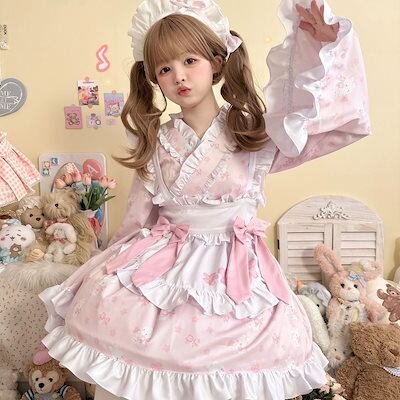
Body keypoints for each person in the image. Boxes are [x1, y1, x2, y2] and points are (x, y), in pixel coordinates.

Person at [39, 0, 371, 399]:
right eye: (164, 69)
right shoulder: (156, 142)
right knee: (140, 358)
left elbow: (340, 124)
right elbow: (136, 222)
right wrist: (102, 268)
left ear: (216, 62)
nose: (178, 76)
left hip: (236, 274)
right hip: (165, 269)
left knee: (237, 370)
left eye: (189, 61)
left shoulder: (255, 133)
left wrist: (327, 45)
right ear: (153, 78)